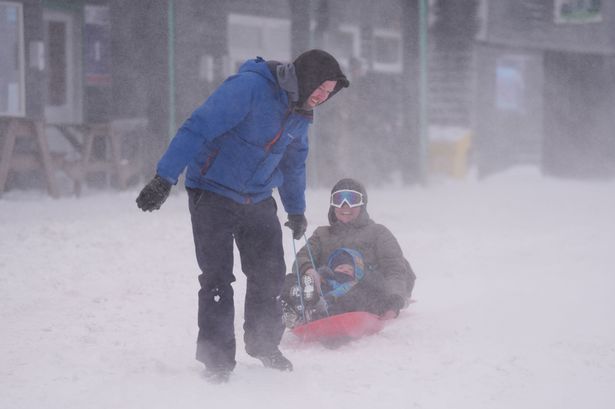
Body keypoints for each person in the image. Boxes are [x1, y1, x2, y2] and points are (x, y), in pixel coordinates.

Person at [135, 50, 349, 383]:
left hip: (258, 196)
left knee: (270, 273)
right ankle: (216, 359)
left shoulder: (301, 113)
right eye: (319, 89)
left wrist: (295, 209)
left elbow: (294, 163)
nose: (321, 98)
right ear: (305, 78)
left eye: (328, 94)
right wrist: (165, 177)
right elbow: (198, 126)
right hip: (212, 190)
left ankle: (264, 344)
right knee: (217, 278)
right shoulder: (249, 88)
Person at [281, 178, 416, 328]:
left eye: (352, 199)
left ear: (362, 204)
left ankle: (324, 310)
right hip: (329, 288)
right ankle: (299, 309)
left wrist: (394, 300)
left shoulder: (378, 233)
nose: (345, 206)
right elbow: (302, 257)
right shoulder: (322, 234)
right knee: (291, 281)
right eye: (339, 199)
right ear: (333, 205)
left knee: (363, 290)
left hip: (366, 289)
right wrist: (309, 270)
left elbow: (394, 268)